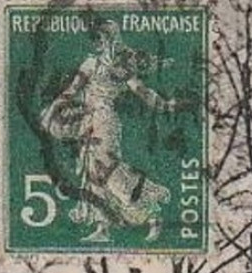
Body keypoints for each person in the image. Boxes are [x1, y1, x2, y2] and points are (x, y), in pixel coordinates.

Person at [38, 18, 180, 243]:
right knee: (94, 174)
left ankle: (152, 212)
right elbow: (71, 92)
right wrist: (51, 112)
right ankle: (102, 228)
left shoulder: (121, 68)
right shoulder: (89, 63)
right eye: (94, 38)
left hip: (106, 121)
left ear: (111, 40)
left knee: (110, 173)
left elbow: (141, 91)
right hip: (88, 121)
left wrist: (163, 105)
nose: (96, 43)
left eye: (101, 38)